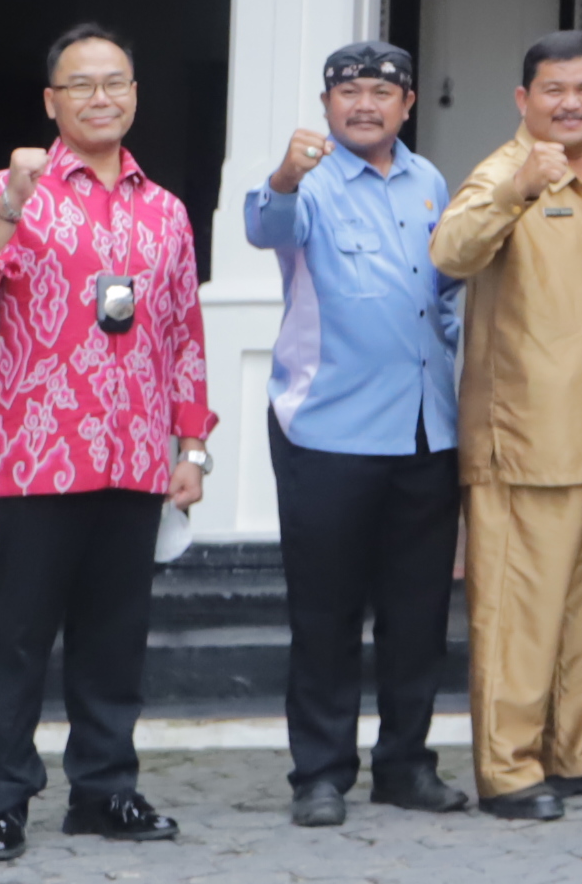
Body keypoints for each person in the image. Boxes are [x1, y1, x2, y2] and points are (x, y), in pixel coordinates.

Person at [0, 23, 213, 864]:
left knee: (115, 635)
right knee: (21, 636)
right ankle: (4, 801)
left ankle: (104, 790)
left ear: (135, 94)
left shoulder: (164, 209)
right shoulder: (7, 190)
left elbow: (183, 333)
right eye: (82, 84)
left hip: (132, 455)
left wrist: (190, 450)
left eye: (116, 82)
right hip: (36, 453)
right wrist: (12, 205)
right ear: (52, 101)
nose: (102, 97)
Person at [432, 32, 582, 820]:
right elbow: (451, 251)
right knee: (519, 616)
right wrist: (518, 189)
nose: (572, 103)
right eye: (554, 90)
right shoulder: (506, 169)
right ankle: (509, 768)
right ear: (523, 100)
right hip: (530, 436)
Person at [241, 41, 468, 828]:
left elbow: (442, 292)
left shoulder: (432, 181)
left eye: (381, 91)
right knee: (326, 614)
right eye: (349, 93)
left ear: (407, 104)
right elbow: (264, 229)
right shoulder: (306, 183)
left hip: (424, 430)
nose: (364, 104)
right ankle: (321, 774)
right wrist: (282, 177)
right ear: (327, 104)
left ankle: (406, 765)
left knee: (417, 616)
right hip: (328, 431)